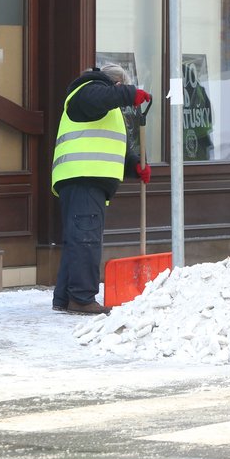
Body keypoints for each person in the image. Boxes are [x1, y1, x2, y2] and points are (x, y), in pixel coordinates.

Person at [51, 63, 152, 315]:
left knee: (77, 239)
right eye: (120, 89)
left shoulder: (103, 106)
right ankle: (82, 298)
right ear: (115, 84)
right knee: (86, 240)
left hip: (86, 179)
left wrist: (134, 166)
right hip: (83, 177)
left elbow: (113, 145)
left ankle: (65, 297)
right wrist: (130, 94)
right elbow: (102, 97)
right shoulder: (87, 91)